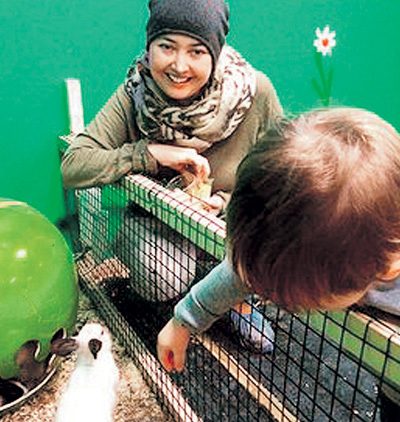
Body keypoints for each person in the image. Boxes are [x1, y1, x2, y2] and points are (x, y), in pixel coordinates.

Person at [61, 0, 283, 351]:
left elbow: (280, 178)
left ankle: (233, 297)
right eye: (167, 47)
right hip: (160, 231)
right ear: (150, 47)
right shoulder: (136, 92)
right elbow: (74, 164)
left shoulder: (255, 92)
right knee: (161, 277)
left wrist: (224, 202)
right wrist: (149, 154)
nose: (179, 66)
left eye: (196, 51)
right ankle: (188, 292)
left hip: (231, 232)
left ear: (215, 53)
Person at [157, 107, 400, 378]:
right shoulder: (324, 249)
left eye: (305, 302)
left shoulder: (361, 252)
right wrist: (182, 323)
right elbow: (243, 273)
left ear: (388, 267)